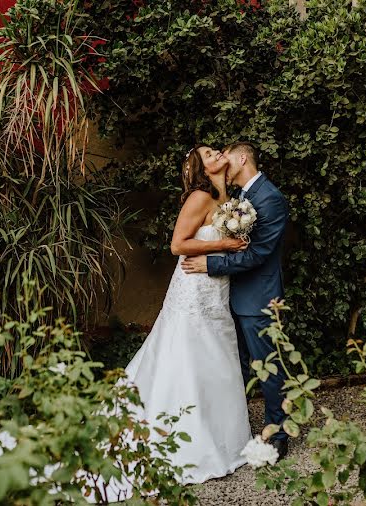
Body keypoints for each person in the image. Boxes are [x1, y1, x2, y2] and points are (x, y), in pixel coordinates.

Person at [114, 144, 253, 489]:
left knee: (216, 356)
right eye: (209, 153)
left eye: (217, 149)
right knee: (189, 354)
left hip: (217, 290)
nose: (218, 153)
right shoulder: (200, 197)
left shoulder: (228, 201)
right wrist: (225, 245)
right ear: (202, 168)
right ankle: (191, 441)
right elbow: (178, 245)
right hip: (193, 289)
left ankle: (225, 438)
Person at [180, 141, 291, 460]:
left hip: (258, 299)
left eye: (225, 154)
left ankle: (279, 433)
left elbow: (257, 254)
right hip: (225, 296)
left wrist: (210, 264)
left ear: (242, 158)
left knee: (268, 367)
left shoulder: (270, 198)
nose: (221, 159)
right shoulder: (236, 197)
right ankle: (222, 430)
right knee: (232, 369)